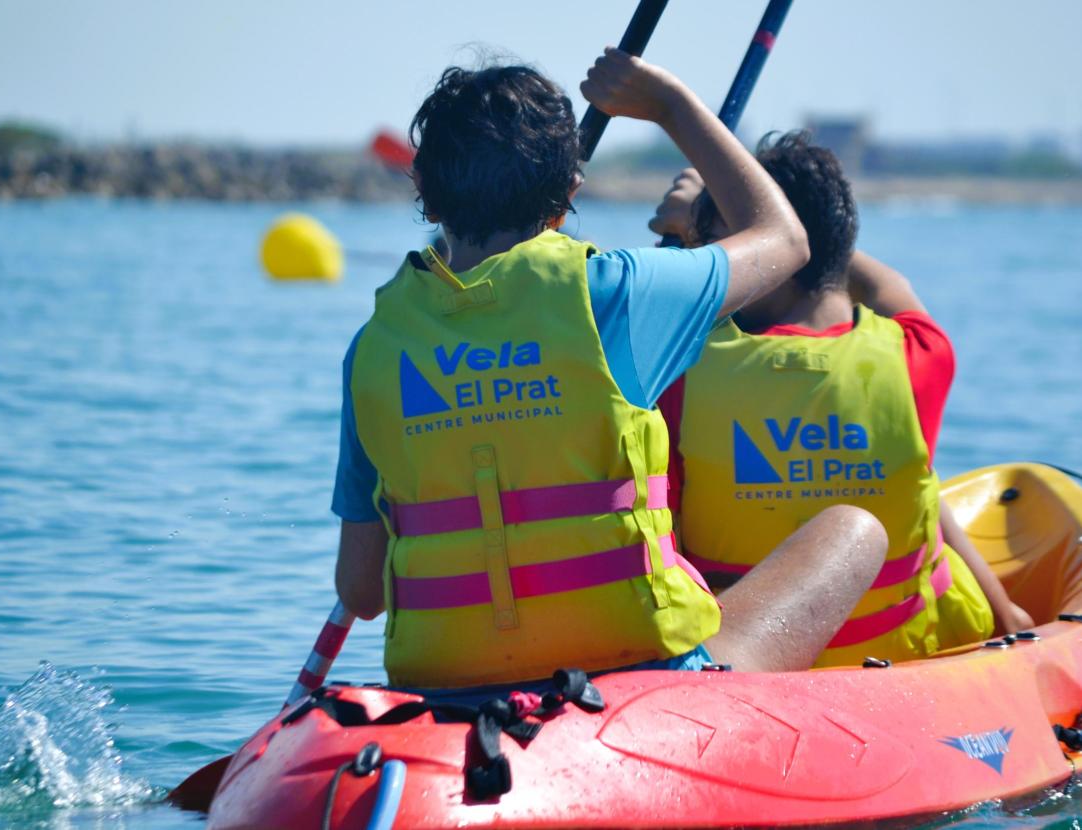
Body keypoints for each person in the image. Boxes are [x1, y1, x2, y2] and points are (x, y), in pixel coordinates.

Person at [330, 52, 887, 691]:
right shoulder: (617, 291)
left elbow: (362, 590)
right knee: (854, 530)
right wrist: (672, 106)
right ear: (569, 191)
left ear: (424, 191)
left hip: (446, 684)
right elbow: (786, 239)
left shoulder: (375, 344)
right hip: (637, 675)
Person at [651, 132, 1032, 668]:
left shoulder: (678, 372)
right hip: (905, 653)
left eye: (720, 246)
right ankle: (1007, 614)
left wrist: (728, 239)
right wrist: (783, 233)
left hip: (746, 661)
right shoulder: (920, 356)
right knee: (919, 480)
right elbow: (887, 286)